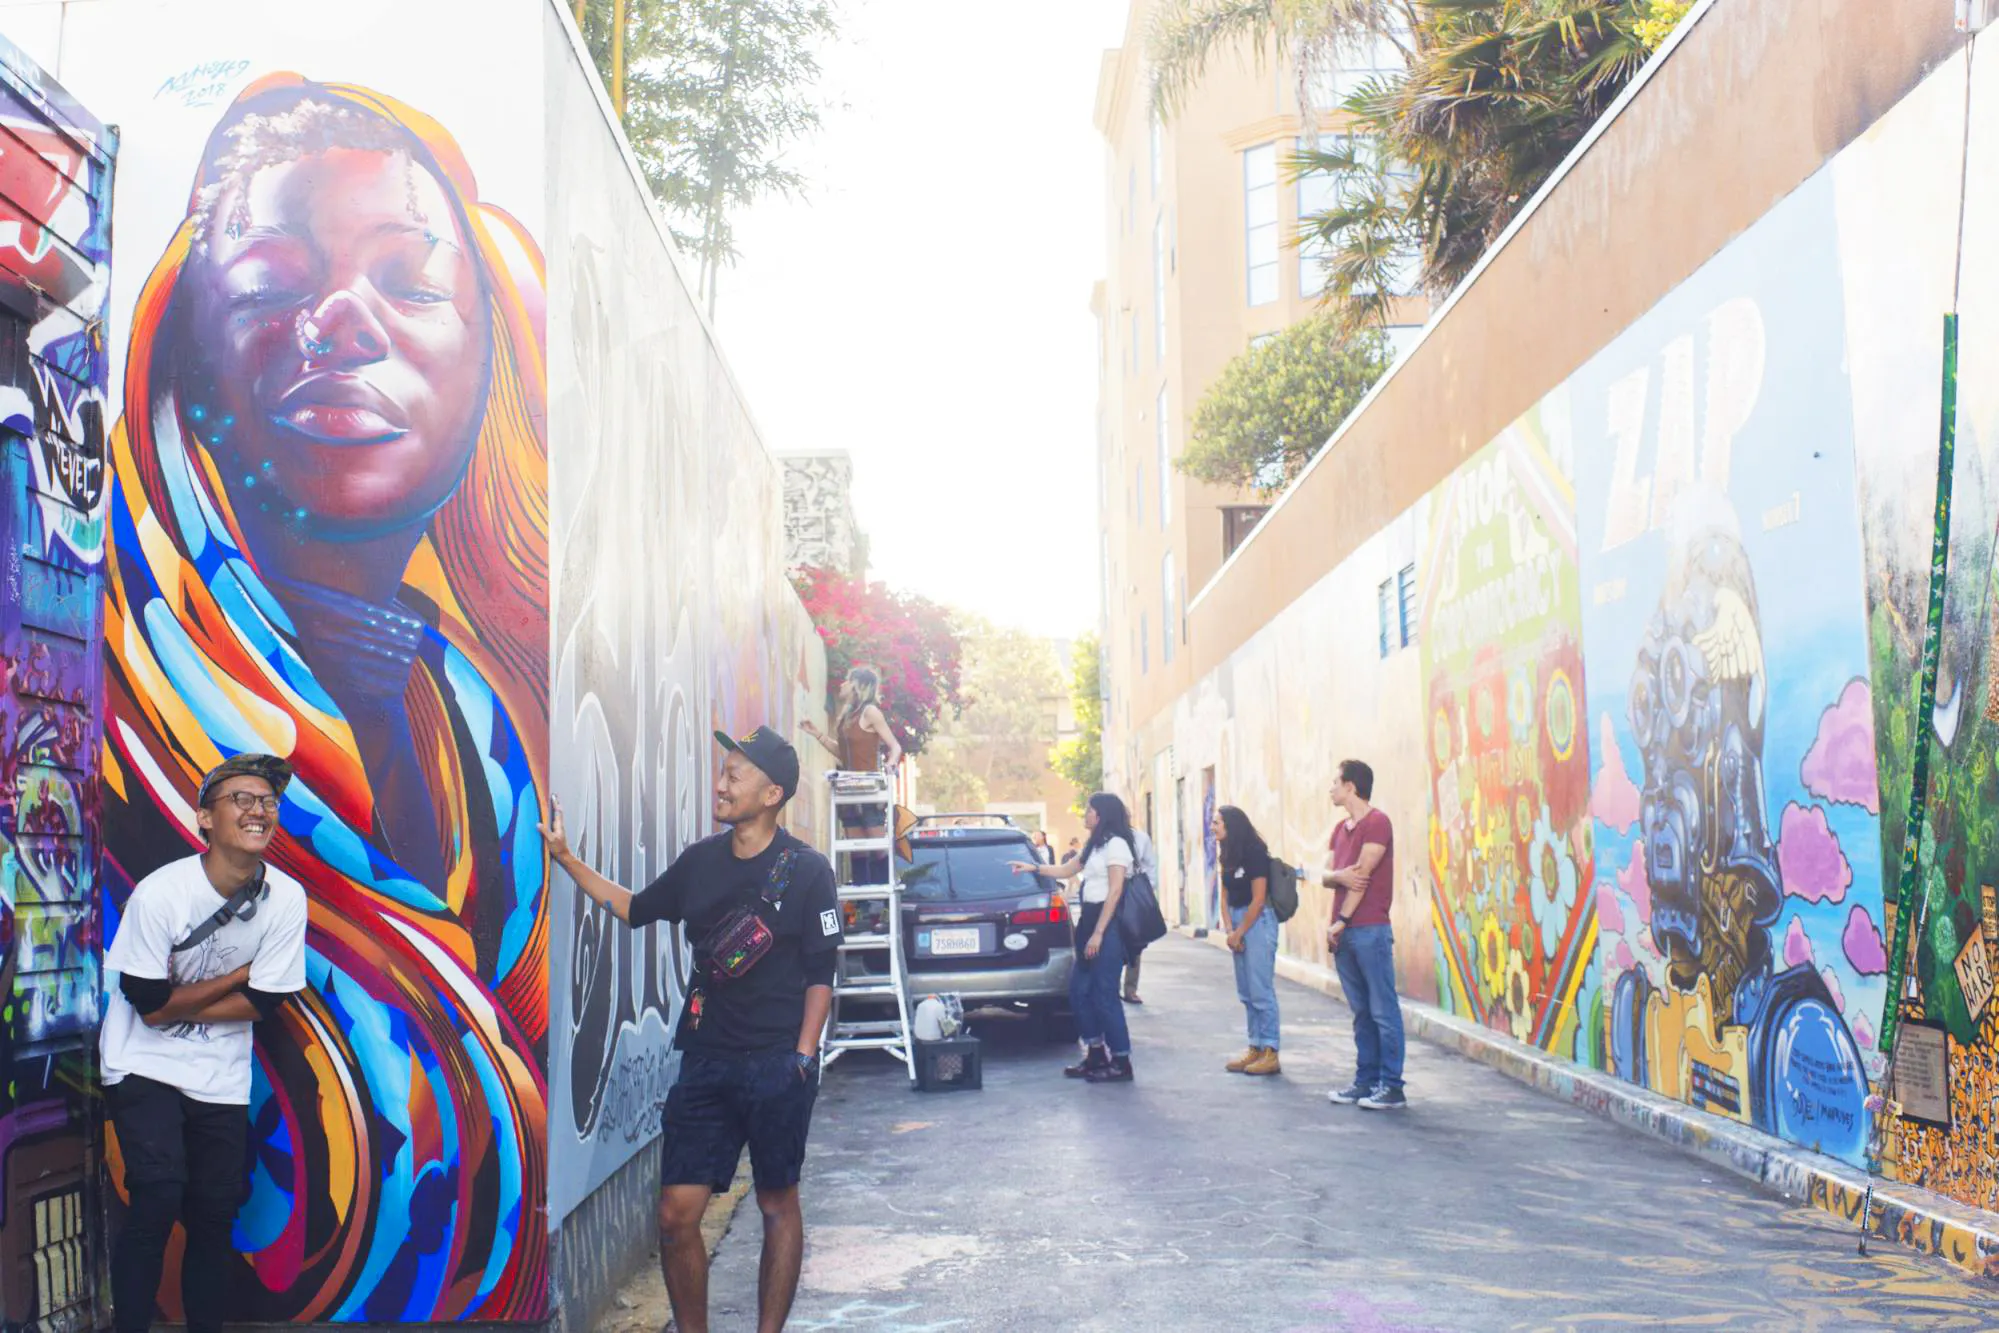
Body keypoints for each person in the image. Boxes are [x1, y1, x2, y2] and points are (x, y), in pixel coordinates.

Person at [101, 75, 550, 1305]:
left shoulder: (483, 742)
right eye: (268, 287)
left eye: (409, 280)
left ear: (494, 352)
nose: (341, 323)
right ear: (184, 349)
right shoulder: (125, 723)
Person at [540, 727, 840, 1333]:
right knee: (676, 1215)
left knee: (776, 1201)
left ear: (772, 794)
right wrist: (566, 859)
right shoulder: (700, 862)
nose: (720, 784)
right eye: (723, 772)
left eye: (735, 775)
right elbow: (635, 908)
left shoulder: (809, 872)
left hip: (777, 1062)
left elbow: (821, 973)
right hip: (705, 1060)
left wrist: (803, 1057)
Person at [102, 753, 311, 1333]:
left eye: (267, 801)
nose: (258, 810)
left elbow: (263, 1003)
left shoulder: (286, 899)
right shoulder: (162, 894)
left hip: (219, 1074)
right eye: (241, 799)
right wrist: (237, 975)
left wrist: (175, 1004)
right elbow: (145, 1001)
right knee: (157, 1196)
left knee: (215, 1216)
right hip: (141, 1062)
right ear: (204, 818)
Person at [1011, 793, 1136, 1083]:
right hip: (1089, 919)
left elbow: (1115, 891)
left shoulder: (1117, 845)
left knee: (1105, 993)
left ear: (1101, 815)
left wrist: (1099, 933)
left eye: (1090, 810)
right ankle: (1095, 1053)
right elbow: (1068, 870)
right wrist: (1035, 868)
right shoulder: (1095, 845)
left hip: (1108, 923)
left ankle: (1121, 1061)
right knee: (1080, 991)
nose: (1085, 814)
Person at [1321, 760, 1406, 1110]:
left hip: (1369, 929)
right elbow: (1326, 875)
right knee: (1361, 1013)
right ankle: (1365, 1082)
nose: (1331, 788)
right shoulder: (1339, 830)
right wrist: (1337, 877)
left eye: (1335, 782)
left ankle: (1392, 1087)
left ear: (1351, 787)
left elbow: (1361, 877)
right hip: (1343, 933)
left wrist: (1341, 919)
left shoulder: (1377, 822)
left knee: (1383, 1010)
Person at [802, 666, 902, 882]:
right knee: (856, 851)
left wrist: (891, 763)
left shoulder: (870, 712)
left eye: (847, 681)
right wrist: (816, 734)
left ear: (858, 685)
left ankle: (882, 897)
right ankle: (862, 900)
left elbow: (895, 746)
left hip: (868, 791)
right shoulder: (848, 715)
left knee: (878, 848)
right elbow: (844, 753)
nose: (842, 684)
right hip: (847, 791)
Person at [1215, 806, 1280, 1074]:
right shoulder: (1226, 853)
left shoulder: (1255, 852)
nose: (1213, 827)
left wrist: (1240, 932)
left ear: (1231, 824)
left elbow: (1259, 898)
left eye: (1217, 822)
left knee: (1260, 989)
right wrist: (1230, 930)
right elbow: (1224, 896)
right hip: (1237, 922)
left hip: (1257, 922)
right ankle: (1255, 1046)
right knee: (1245, 991)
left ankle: (1270, 1051)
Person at [1122, 824, 1159, 1005]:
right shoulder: (1104, 837)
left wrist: (1146, 890)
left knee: (1135, 943)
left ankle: (1130, 989)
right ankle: (1110, 988)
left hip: (1133, 894)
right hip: (1108, 893)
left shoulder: (1140, 838)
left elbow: (1151, 866)